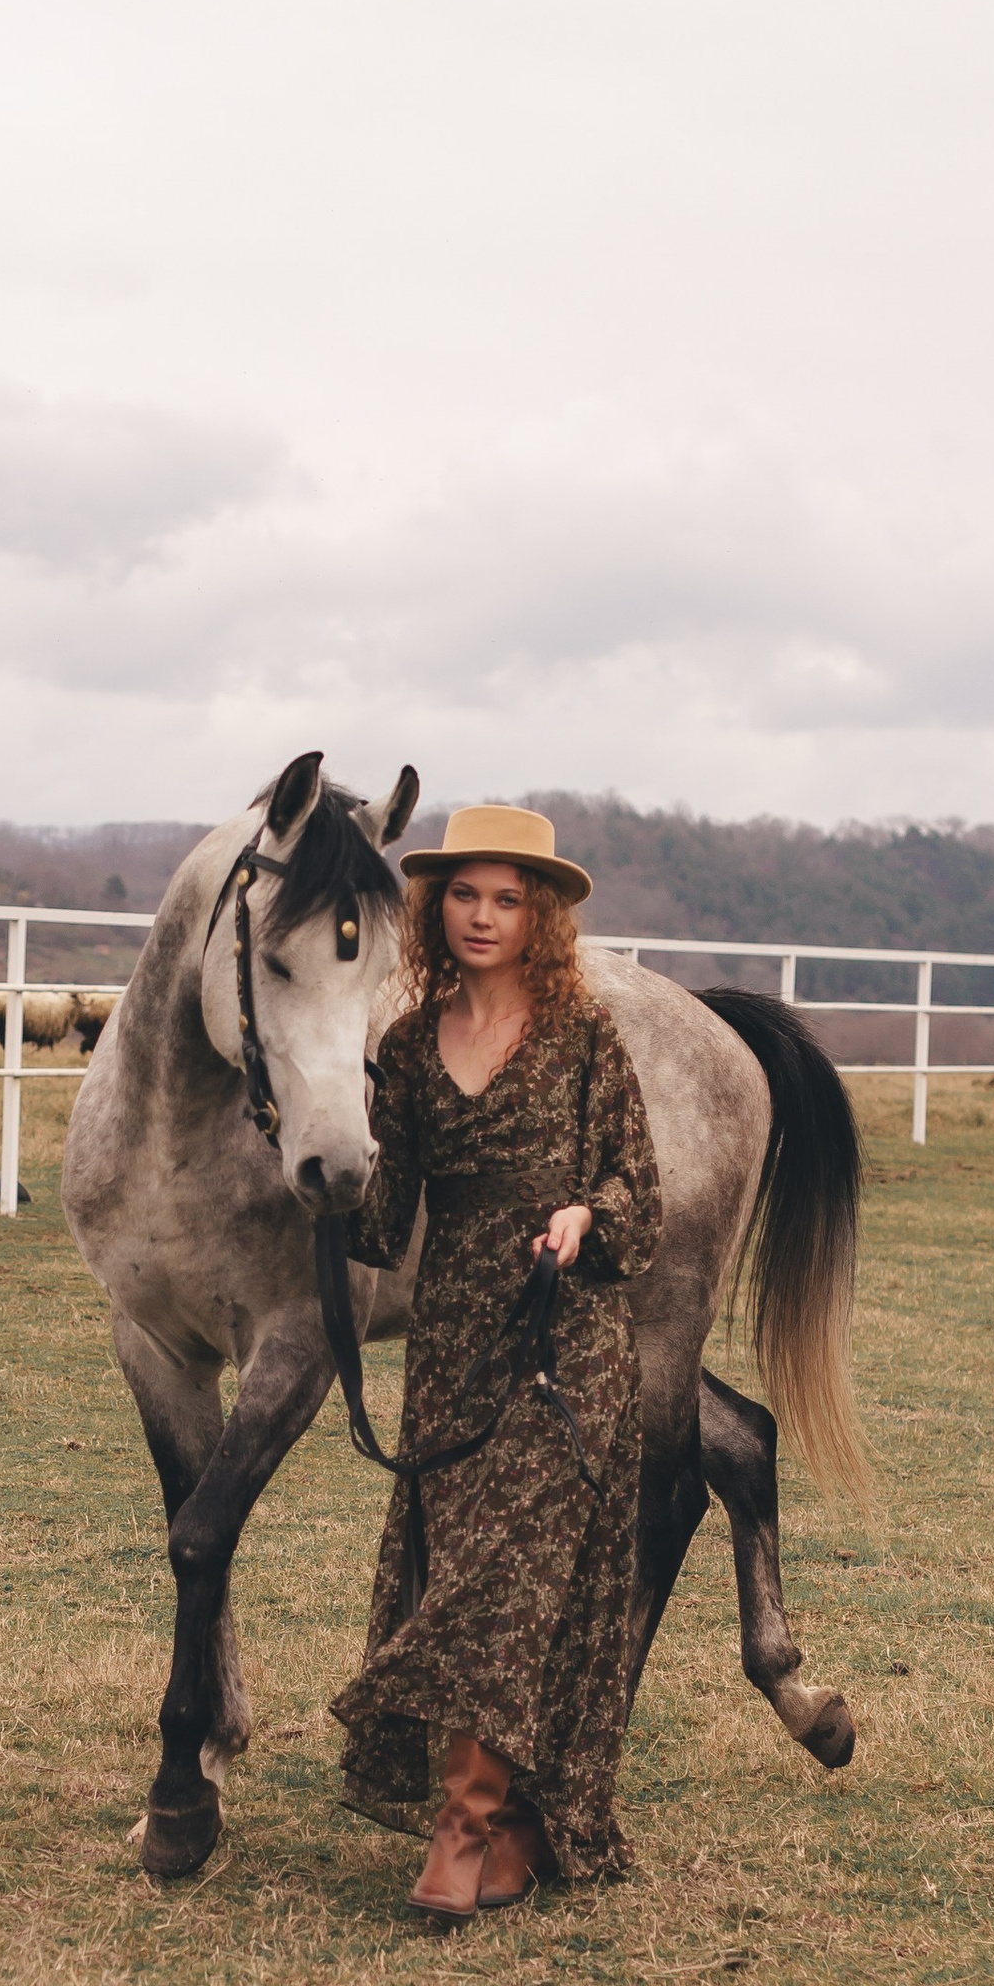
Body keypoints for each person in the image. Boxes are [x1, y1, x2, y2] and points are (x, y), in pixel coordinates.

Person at [330, 804, 663, 1921]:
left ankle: (462, 1829)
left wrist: (583, 1215)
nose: (482, 916)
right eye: (464, 895)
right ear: (438, 910)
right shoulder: (407, 1049)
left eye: (507, 899)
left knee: (506, 1578)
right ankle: (518, 1822)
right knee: (478, 1577)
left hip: (569, 1343)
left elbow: (637, 1190)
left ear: (540, 918)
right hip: (453, 1349)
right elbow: (382, 1226)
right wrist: (323, 1143)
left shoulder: (585, 1038)